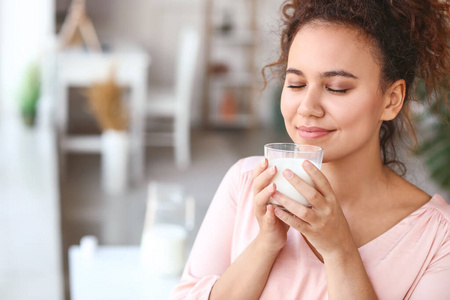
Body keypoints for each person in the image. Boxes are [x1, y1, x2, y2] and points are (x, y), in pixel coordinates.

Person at [171, 0, 450, 299]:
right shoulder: (245, 182)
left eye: (337, 88)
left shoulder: (438, 238)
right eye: (295, 84)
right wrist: (266, 244)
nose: (307, 108)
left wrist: (339, 250)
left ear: (391, 99)